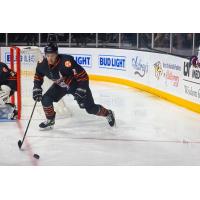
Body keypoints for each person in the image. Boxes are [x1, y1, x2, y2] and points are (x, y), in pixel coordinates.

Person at [33, 42, 116, 129]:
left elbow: (83, 75)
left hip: (75, 85)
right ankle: (50, 120)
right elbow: (38, 75)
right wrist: (36, 88)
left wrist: (82, 89)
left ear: (57, 54)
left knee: (90, 108)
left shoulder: (66, 61)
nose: (50, 58)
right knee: (46, 99)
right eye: (48, 55)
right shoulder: (42, 64)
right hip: (60, 86)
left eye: (52, 55)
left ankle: (108, 113)